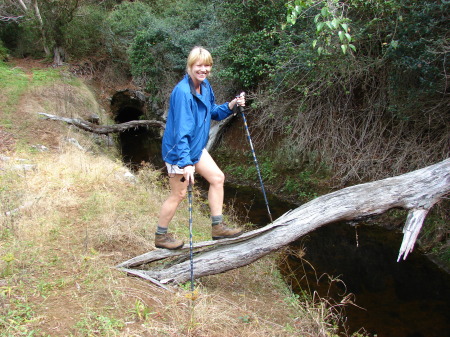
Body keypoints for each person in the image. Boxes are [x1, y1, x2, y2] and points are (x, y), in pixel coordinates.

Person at [154, 46, 246, 250]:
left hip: (195, 147)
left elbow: (212, 112)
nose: (203, 70)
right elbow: (181, 132)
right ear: (190, 66)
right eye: (199, 65)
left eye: (207, 66)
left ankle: (218, 227)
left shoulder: (205, 87)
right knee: (178, 194)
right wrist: (186, 163)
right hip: (179, 151)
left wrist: (231, 105)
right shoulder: (182, 92)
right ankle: (161, 236)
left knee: (217, 178)